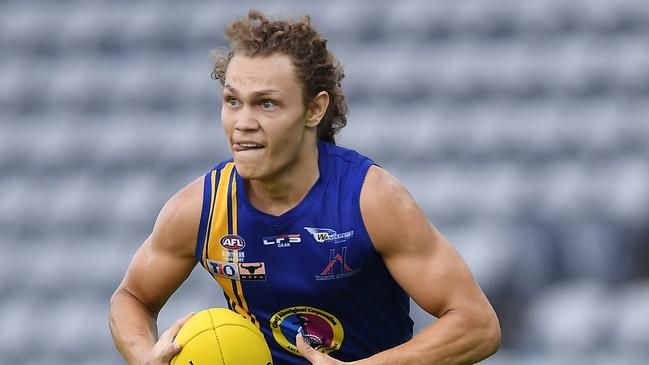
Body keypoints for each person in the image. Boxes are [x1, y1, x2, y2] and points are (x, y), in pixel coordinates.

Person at [109, 10, 500, 365]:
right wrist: (146, 358)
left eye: (266, 104)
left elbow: (478, 325)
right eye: (232, 101)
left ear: (315, 109)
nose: (242, 122)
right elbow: (131, 298)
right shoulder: (202, 208)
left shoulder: (371, 199)